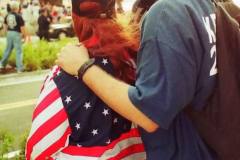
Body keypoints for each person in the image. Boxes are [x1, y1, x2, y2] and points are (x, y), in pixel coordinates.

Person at [56, 0, 221, 159]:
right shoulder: (203, 6)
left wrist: (83, 67)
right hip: (210, 146)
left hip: (185, 152)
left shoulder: (166, 13)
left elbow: (148, 115)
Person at [25, 0, 145, 160]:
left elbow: (37, 149)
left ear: (74, 18)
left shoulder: (67, 68)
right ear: (116, 12)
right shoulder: (139, 59)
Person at [0, 1, 27, 73]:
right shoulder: (19, 16)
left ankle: (2, 64)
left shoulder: (8, 15)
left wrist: (9, 31)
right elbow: (22, 27)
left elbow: (5, 25)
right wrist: (25, 36)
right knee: (18, 51)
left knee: (8, 49)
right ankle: (19, 68)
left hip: (9, 32)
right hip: (17, 33)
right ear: (17, 8)